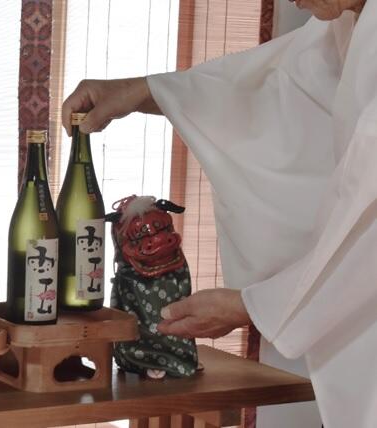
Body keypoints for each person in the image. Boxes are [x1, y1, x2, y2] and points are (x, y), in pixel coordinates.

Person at [61, 0, 376, 427]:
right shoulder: (348, 23)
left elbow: (368, 229)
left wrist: (251, 306)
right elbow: (271, 88)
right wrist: (139, 91)